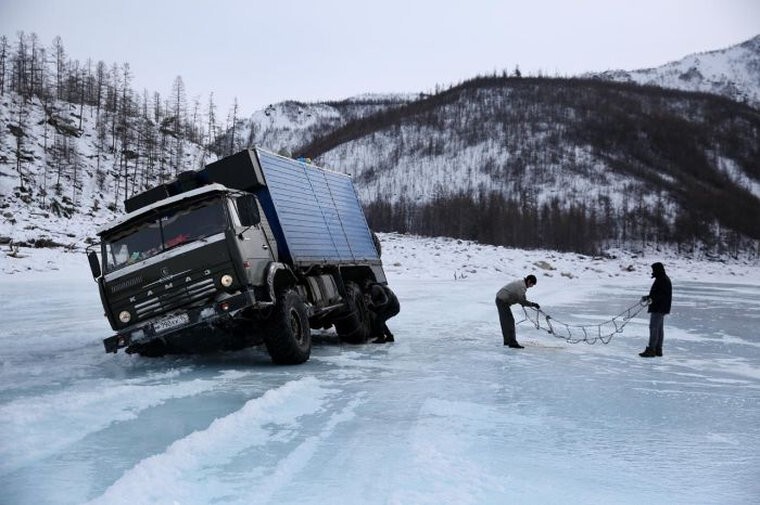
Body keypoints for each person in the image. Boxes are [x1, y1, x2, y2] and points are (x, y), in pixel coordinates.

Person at [495, 275, 539, 349]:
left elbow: (522, 297)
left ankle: (507, 341)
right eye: (532, 285)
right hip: (502, 301)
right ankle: (512, 342)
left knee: (506, 322)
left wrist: (526, 302)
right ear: (529, 281)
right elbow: (521, 300)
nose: (532, 286)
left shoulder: (522, 284)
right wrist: (532, 304)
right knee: (509, 321)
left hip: (501, 300)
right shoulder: (521, 286)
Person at [639, 262, 672, 358]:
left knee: (654, 328)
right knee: (659, 329)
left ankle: (652, 349)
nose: (652, 272)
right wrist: (649, 297)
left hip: (659, 308)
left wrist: (650, 298)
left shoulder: (662, 280)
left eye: (653, 270)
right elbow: (658, 294)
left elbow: (661, 295)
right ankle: (658, 349)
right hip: (661, 307)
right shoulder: (661, 278)